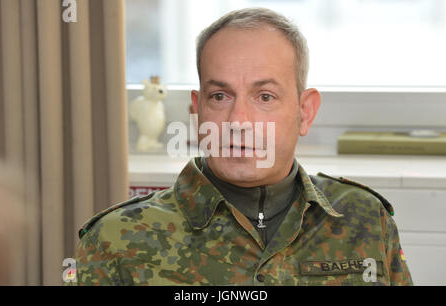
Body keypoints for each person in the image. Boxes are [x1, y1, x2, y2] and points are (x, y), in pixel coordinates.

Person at [73, 7, 412, 286]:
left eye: (265, 96)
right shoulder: (116, 240)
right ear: (197, 110)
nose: (238, 121)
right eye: (220, 96)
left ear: (304, 112)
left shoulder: (365, 219)